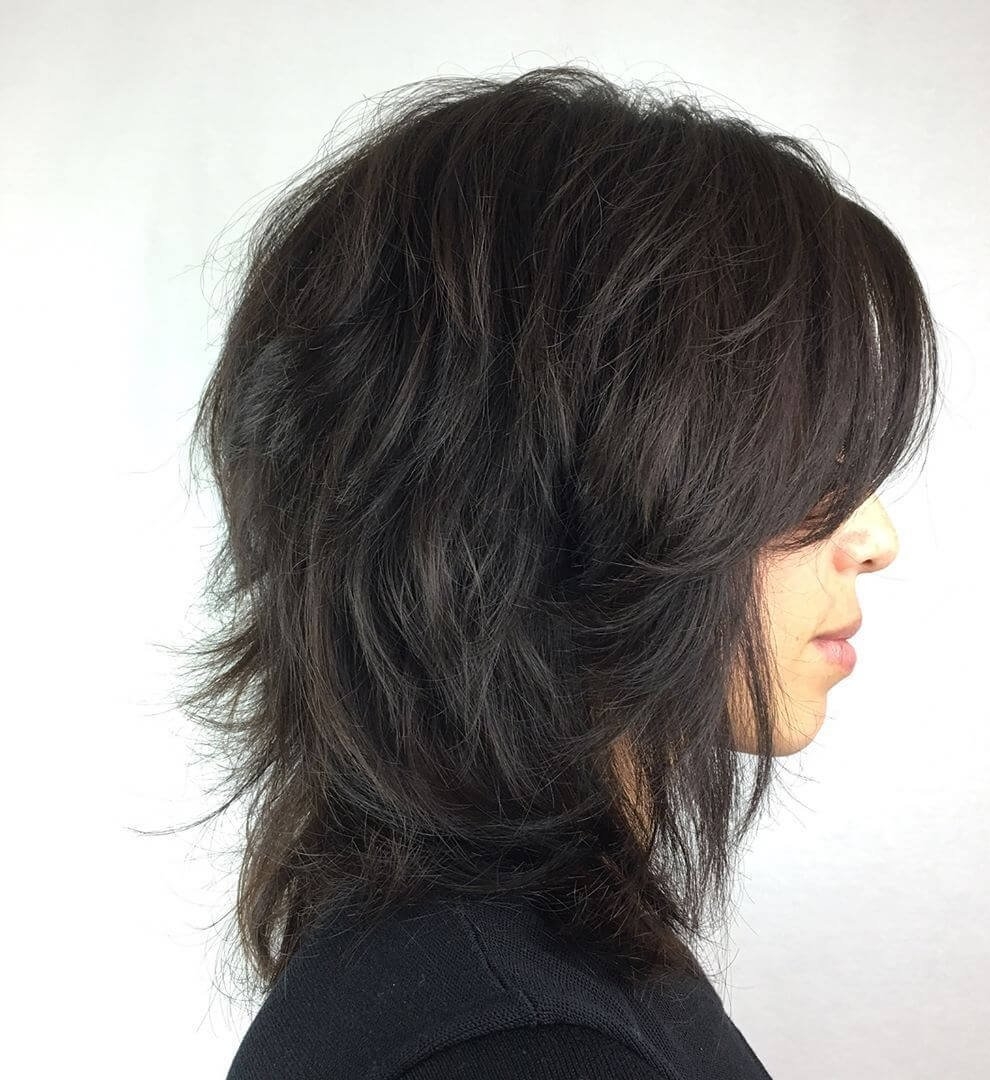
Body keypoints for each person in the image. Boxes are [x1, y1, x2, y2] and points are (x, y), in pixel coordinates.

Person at [171, 64, 941, 1079]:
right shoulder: (522, 1042)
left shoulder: (486, 958)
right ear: (552, 493)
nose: (876, 537)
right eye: (805, 466)